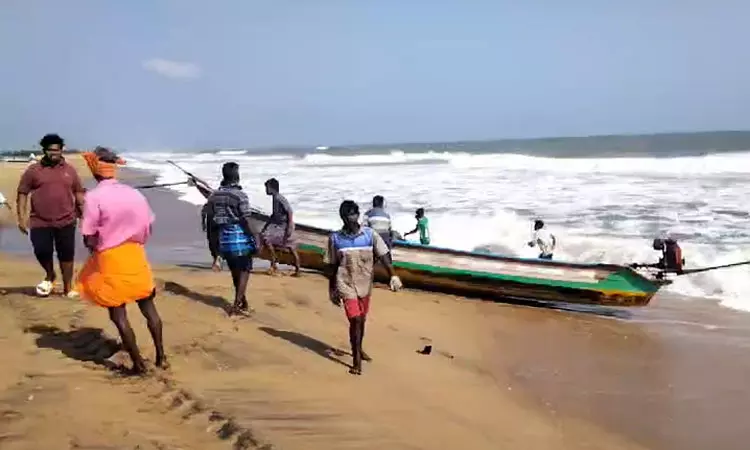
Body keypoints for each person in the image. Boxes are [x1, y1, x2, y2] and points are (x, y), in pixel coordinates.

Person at [76, 147, 166, 375]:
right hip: (135, 253)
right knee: (149, 307)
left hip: (111, 257)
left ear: (94, 170)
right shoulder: (134, 194)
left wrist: (94, 246)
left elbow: (89, 236)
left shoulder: (93, 197)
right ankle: (161, 357)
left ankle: (138, 364)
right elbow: (148, 225)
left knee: (118, 314)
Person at [325, 200, 403, 376]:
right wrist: (332, 289)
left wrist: (393, 275)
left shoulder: (369, 235)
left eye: (353, 214)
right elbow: (331, 265)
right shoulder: (335, 238)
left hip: (365, 284)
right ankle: (356, 361)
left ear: (358, 215)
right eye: (347, 215)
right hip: (345, 284)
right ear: (342, 218)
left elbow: (384, 255)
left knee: (362, 319)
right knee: (356, 320)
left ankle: (358, 347)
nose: (350, 218)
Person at [16, 134, 85, 297]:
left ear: (61, 150)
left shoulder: (69, 170)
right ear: (44, 150)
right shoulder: (33, 170)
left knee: (66, 255)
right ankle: (50, 274)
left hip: (67, 219)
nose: (53, 153)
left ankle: (68, 287)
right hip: (39, 220)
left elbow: (78, 191)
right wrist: (21, 217)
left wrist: (83, 213)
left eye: (56, 150)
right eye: (49, 150)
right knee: (41, 250)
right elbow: (22, 192)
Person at [204, 162, 261, 315]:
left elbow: (210, 222)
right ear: (237, 176)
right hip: (240, 239)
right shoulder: (240, 195)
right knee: (245, 270)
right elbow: (246, 220)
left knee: (235, 272)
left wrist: (214, 247)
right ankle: (236, 305)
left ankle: (243, 302)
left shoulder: (214, 196)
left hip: (224, 239)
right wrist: (257, 238)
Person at [260, 178, 301, 276]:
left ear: (272, 188)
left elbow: (289, 211)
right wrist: (266, 226)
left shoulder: (279, 198)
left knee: (267, 239)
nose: (266, 190)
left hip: (285, 226)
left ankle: (274, 265)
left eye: (267, 188)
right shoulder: (275, 198)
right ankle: (278, 266)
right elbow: (274, 215)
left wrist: (289, 226)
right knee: (289, 246)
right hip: (280, 226)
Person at [201, 202, 222, 271]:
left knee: (213, 242)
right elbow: (203, 214)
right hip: (216, 224)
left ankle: (217, 258)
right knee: (216, 242)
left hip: (213, 225)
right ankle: (217, 258)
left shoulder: (208, 204)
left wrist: (203, 224)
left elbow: (203, 214)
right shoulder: (210, 204)